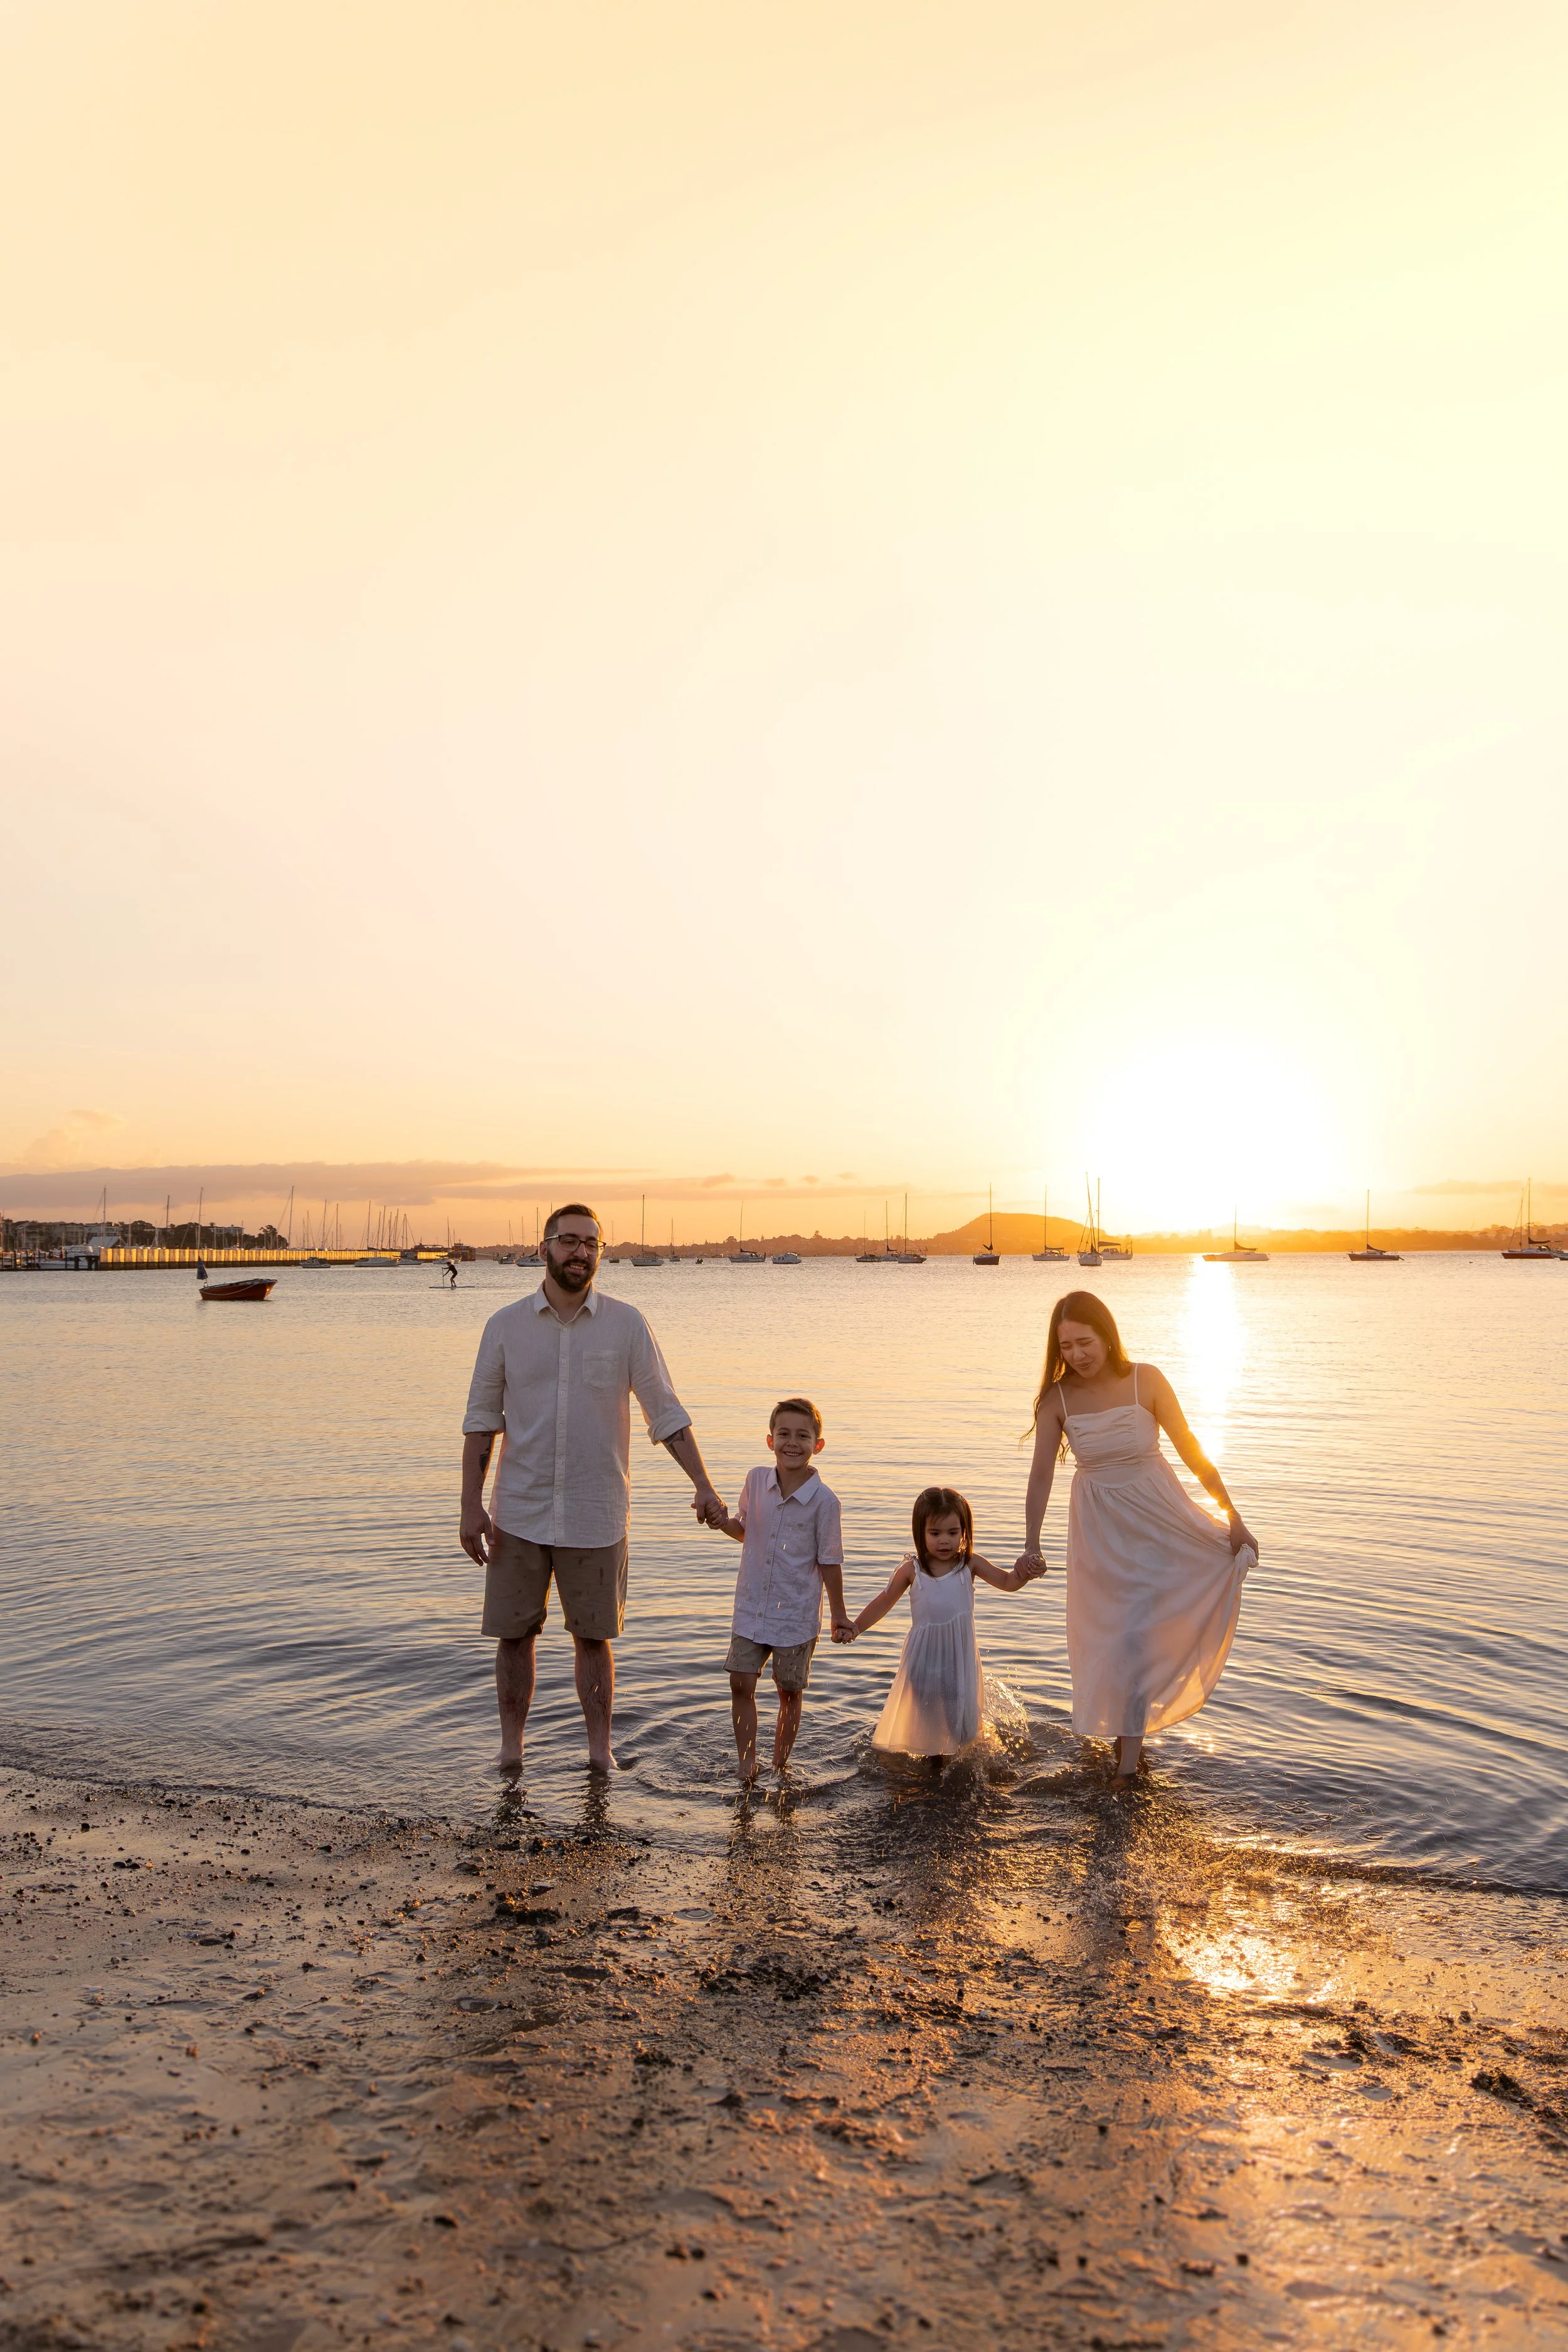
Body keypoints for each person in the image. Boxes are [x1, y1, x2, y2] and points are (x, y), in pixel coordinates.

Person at [459, 1202, 724, 1774]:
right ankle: (511, 1751)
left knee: (593, 1638)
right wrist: (470, 1507)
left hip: (596, 1511)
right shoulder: (504, 1326)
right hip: (518, 1511)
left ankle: (599, 1754)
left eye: (591, 1244)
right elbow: (482, 1419)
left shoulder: (627, 1324)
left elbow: (666, 1411)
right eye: (569, 1241)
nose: (581, 1253)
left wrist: (703, 1482)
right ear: (544, 1248)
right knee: (514, 1636)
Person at [1016, 1290, 1259, 1788]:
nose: (1077, 1355)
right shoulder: (1057, 1399)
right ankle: (1127, 1749)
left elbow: (1190, 1446)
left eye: (1085, 1342)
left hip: (1159, 1521)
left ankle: (1127, 1765)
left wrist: (1231, 1514)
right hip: (1100, 1531)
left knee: (1139, 1639)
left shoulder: (1145, 1380)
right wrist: (1031, 1542)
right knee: (1113, 1638)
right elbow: (1041, 1473)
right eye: (1066, 1347)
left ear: (1107, 1336)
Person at [706, 1397, 852, 1783]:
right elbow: (745, 1529)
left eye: (803, 1436)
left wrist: (839, 1615)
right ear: (770, 1440)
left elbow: (830, 1562)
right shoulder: (756, 1480)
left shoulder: (825, 1502)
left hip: (797, 1613)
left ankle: (780, 1765)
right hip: (752, 1606)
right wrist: (721, 1521)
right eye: (784, 1434)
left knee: (789, 1690)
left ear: (817, 1445)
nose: (792, 1442)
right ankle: (747, 1763)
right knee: (741, 1681)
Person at [851, 1486, 1042, 1761]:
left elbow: (1007, 1582)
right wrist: (856, 1627)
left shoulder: (969, 1564)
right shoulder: (912, 1570)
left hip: (958, 1660)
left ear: (964, 1531)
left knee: (958, 1725)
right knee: (928, 1722)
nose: (945, 1541)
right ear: (921, 1532)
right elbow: (884, 1601)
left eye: (953, 1533)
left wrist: (1025, 1573)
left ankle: (954, 1767)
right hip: (923, 1661)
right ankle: (932, 1767)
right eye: (935, 1533)